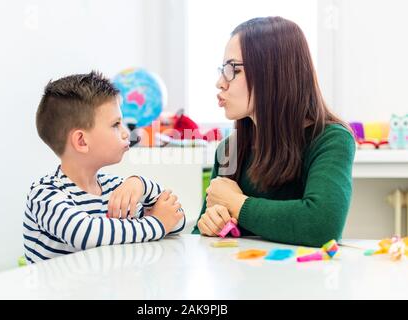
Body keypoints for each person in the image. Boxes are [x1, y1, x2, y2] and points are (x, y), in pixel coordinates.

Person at [193, 17, 356, 247]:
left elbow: (322, 226)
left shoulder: (331, 140)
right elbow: (198, 235)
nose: (220, 82)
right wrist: (208, 225)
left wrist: (236, 203)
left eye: (232, 69)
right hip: (243, 277)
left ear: (272, 72)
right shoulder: (229, 149)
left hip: (305, 279)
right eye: (222, 69)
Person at [24, 71, 185, 263]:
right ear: (82, 141)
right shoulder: (44, 194)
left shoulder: (116, 188)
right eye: (116, 124)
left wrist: (141, 185)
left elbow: (176, 219)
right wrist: (157, 224)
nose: (126, 133)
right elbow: (86, 235)